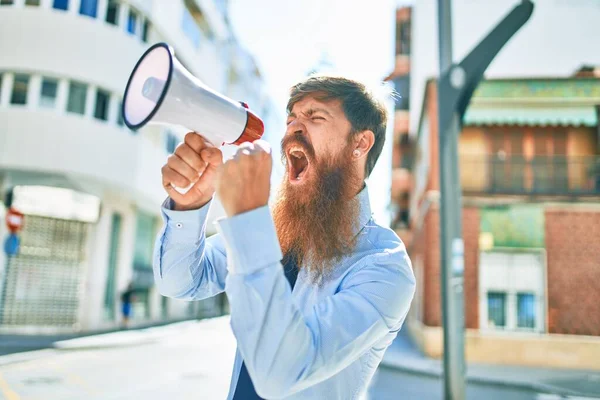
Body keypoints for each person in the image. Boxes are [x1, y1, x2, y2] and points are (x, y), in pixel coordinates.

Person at [153, 76, 416, 399]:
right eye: (291, 117)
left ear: (360, 143)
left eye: (315, 117)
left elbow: (283, 373)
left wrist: (248, 218)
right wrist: (190, 205)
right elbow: (180, 281)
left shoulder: (384, 267)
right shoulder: (277, 229)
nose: (293, 127)